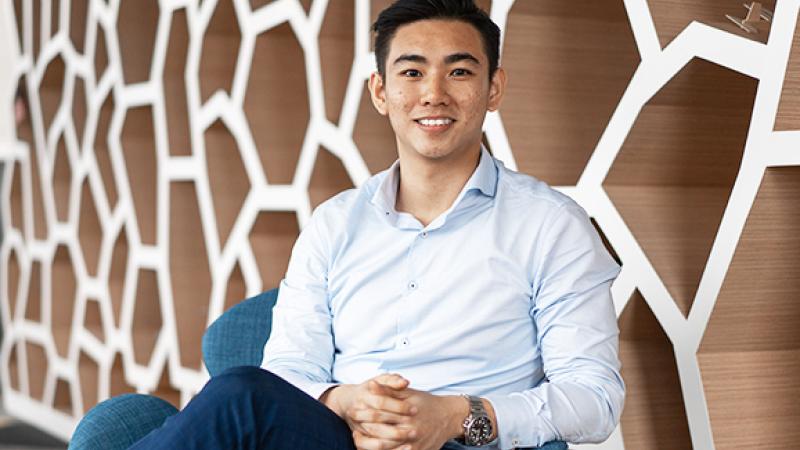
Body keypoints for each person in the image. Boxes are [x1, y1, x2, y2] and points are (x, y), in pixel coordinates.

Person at [130, 1, 624, 449]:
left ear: (493, 89)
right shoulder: (334, 224)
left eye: (459, 71)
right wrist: (345, 401)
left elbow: (594, 398)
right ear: (381, 91)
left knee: (236, 399)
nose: (434, 94)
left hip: (461, 444)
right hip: (339, 438)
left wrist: (453, 416)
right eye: (412, 72)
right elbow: (288, 371)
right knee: (242, 396)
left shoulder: (552, 226)